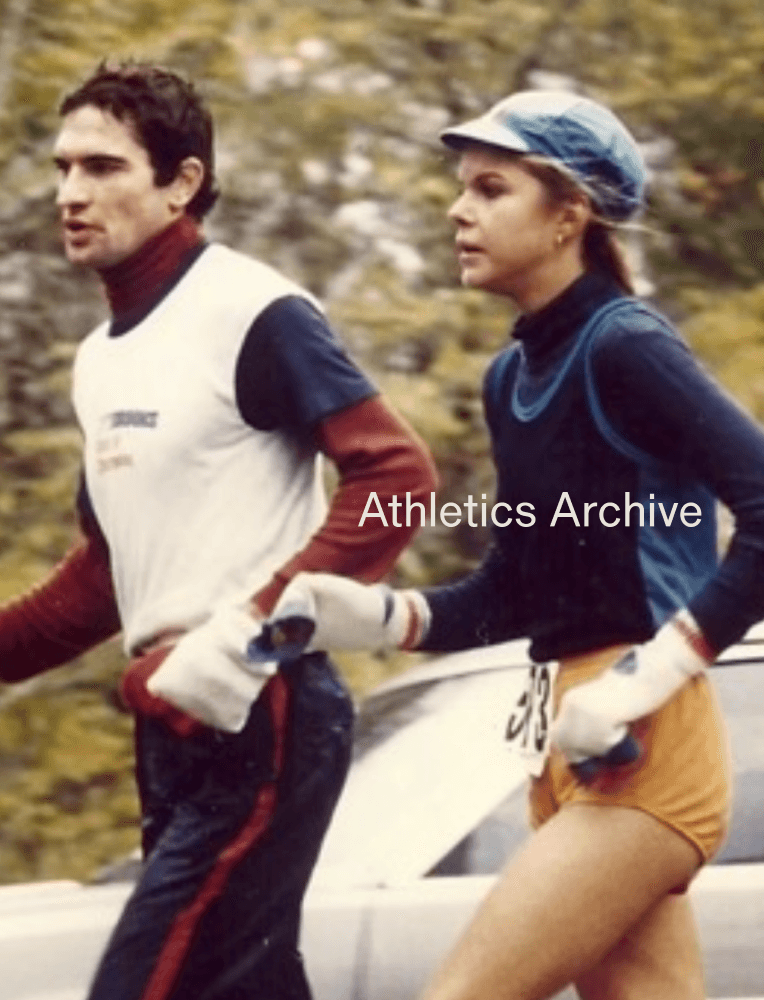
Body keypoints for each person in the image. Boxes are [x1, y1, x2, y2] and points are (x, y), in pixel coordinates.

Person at [259, 89, 764, 999]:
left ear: (570, 214)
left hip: (644, 744)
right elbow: (515, 589)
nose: (459, 210)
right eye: (463, 188)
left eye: (491, 189)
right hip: (562, 743)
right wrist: (373, 616)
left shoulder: (626, 346)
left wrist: (641, 682)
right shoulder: (511, 377)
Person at [0, 61, 437, 1000]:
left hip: (260, 705)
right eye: (63, 167)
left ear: (182, 182)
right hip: (172, 724)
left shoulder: (252, 310)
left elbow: (399, 480)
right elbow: (106, 578)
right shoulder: (98, 360)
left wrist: (243, 638)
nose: (71, 192)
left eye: (104, 167)